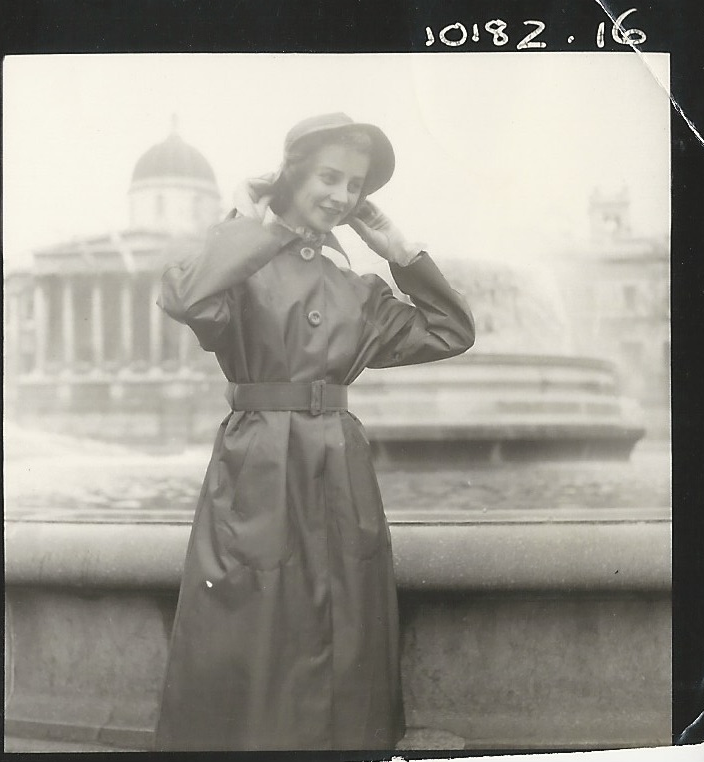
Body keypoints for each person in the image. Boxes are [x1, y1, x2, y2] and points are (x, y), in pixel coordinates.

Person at [152, 113, 475, 751]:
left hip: (341, 465)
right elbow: (185, 296)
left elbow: (450, 332)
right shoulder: (239, 270)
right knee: (253, 616)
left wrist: (400, 251)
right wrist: (247, 223)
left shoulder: (358, 288)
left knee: (345, 619)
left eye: (354, 184)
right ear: (293, 175)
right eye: (329, 176)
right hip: (260, 461)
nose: (342, 195)